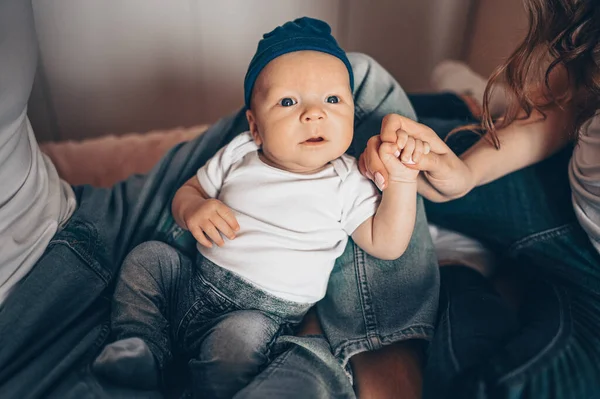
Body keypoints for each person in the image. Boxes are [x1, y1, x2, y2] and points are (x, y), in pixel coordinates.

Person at [0, 2, 439, 398]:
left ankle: (208, 385)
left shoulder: (348, 181)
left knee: (237, 346)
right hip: (191, 281)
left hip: (259, 313)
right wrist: (192, 207)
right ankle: (138, 345)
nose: (314, 113)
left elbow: (387, 243)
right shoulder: (240, 153)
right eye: (288, 102)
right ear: (255, 125)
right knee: (149, 259)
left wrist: (400, 181)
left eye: (333, 100)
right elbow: (188, 191)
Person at [360, 0, 600, 397]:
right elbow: (567, 103)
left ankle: (461, 264)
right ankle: (463, 103)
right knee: (341, 133)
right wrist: (466, 173)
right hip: (557, 189)